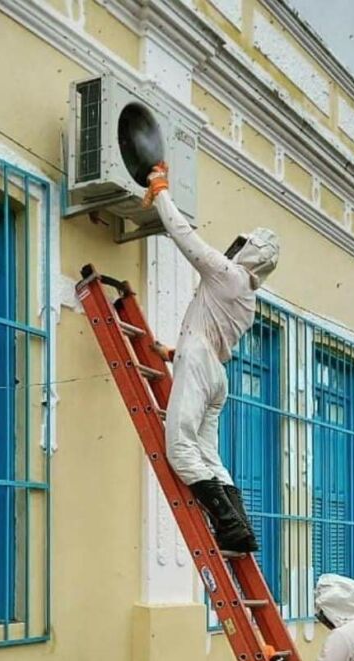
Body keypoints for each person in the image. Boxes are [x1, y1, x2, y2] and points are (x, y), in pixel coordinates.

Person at [142, 162, 280, 554]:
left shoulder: (228, 275)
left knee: (180, 447)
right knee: (208, 454)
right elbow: (215, 336)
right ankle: (241, 531)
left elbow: (184, 237)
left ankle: (229, 526)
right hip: (216, 372)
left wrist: (160, 189)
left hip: (202, 364)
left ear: (249, 253)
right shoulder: (249, 299)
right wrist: (172, 353)